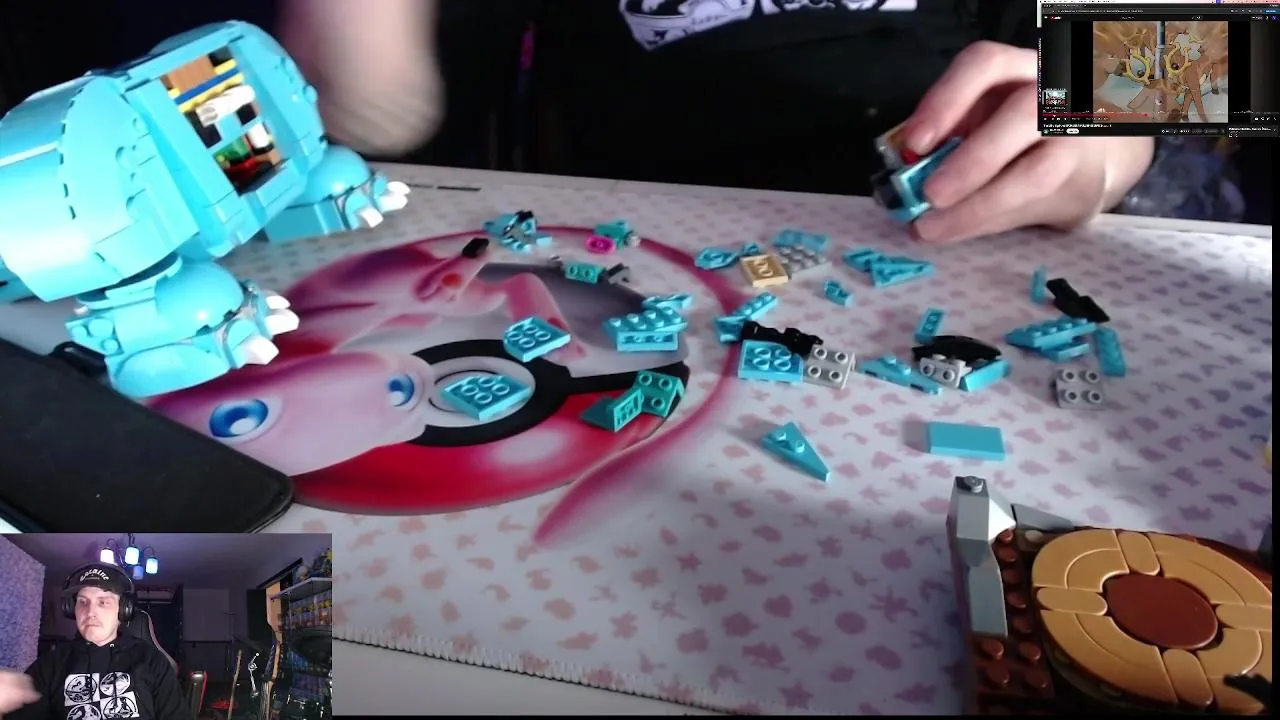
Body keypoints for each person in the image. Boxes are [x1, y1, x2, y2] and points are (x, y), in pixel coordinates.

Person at [277, 0, 1160, 244]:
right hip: (653, 263)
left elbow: (1197, 69)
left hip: (977, 243)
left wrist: (1109, 147)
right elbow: (390, 122)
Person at [0, 564, 192, 720]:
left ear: (122, 610)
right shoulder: (49, 665)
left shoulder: (152, 660)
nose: (90, 612)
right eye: (83, 602)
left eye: (103, 602)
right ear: (71, 609)